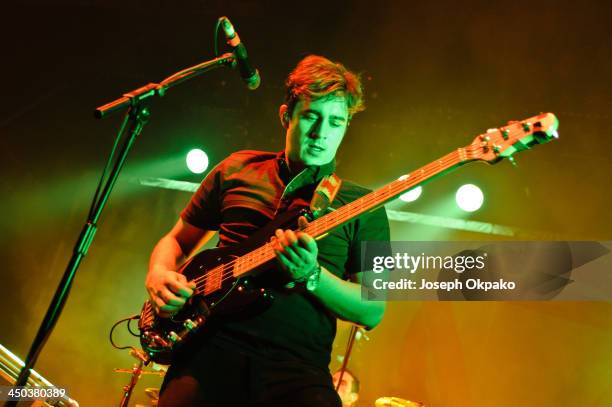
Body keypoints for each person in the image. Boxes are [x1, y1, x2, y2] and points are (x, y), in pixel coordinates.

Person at [146, 54, 390, 406]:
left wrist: (313, 276)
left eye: (336, 122)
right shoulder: (237, 168)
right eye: (311, 116)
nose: (322, 133)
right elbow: (176, 240)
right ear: (286, 116)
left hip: (296, 373)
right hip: (207, 357)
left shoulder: (365, 206)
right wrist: (157, 272)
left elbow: (374, 309)